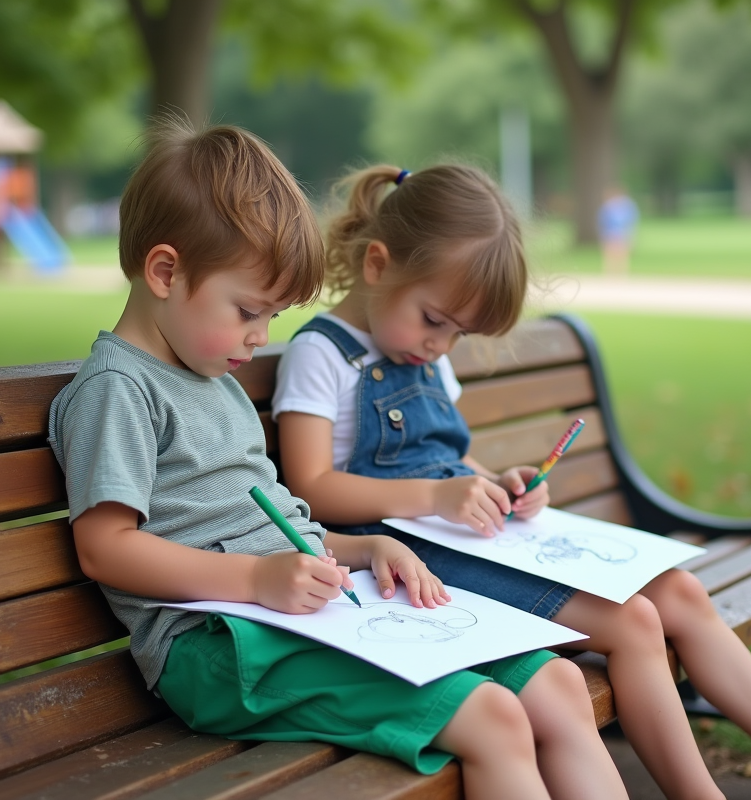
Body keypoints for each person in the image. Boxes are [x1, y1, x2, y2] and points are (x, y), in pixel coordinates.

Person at [273, 163, 751, 800]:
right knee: (634, 622)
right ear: (379, 265)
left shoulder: (421, 354)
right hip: (408, 559)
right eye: (435, 320)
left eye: (458, 333)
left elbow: (445, 461)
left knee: (680, 593)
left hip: (466, 536)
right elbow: (311, 487)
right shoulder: (321, 354)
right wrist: (437, 496)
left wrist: (498, 482)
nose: (441, 345)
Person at [46, 117, 630, 800]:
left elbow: (276, 527)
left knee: (556, 683)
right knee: (494, 718)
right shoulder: (119, 389)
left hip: (297, 616)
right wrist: (259, 580)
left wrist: (360, 550)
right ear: (165, 271)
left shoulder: (212, 378)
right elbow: (106, 550)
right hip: (219, 648)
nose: (260, 338)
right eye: (247, 311)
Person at [598, 186, 638, 275]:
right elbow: (603, 222)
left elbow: (631, 221)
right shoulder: (608, 206)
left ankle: (621, 273)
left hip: (622, 232)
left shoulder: (627, 206)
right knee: (610, 254)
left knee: (622, 254)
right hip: (611, 232)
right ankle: (610, 273)